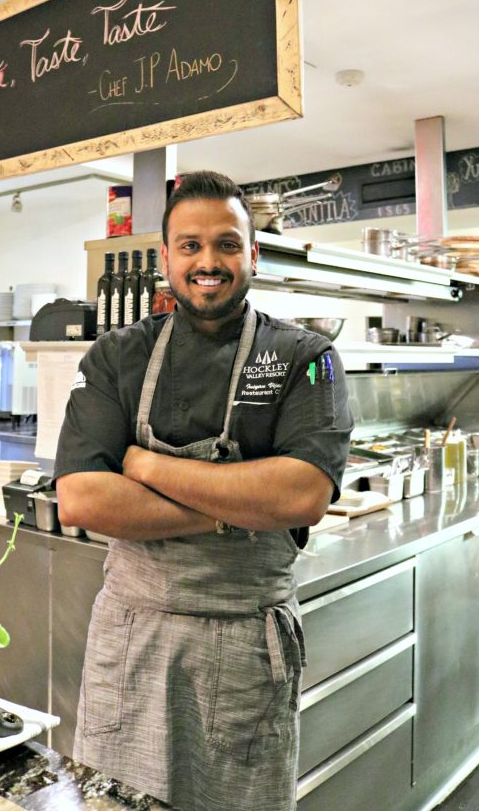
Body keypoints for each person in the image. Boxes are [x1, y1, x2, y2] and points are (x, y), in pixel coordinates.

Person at [54, 170, 353, 811]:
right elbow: (82, 499)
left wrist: (149, 467)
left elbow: (302, 495)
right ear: (165, 257)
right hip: (132, 640)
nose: (207, 262)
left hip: (248, 647)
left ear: (254, 253)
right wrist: (233, 510)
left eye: (227, 244)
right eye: (189, 246)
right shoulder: (114, 357)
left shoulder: (309, 357)